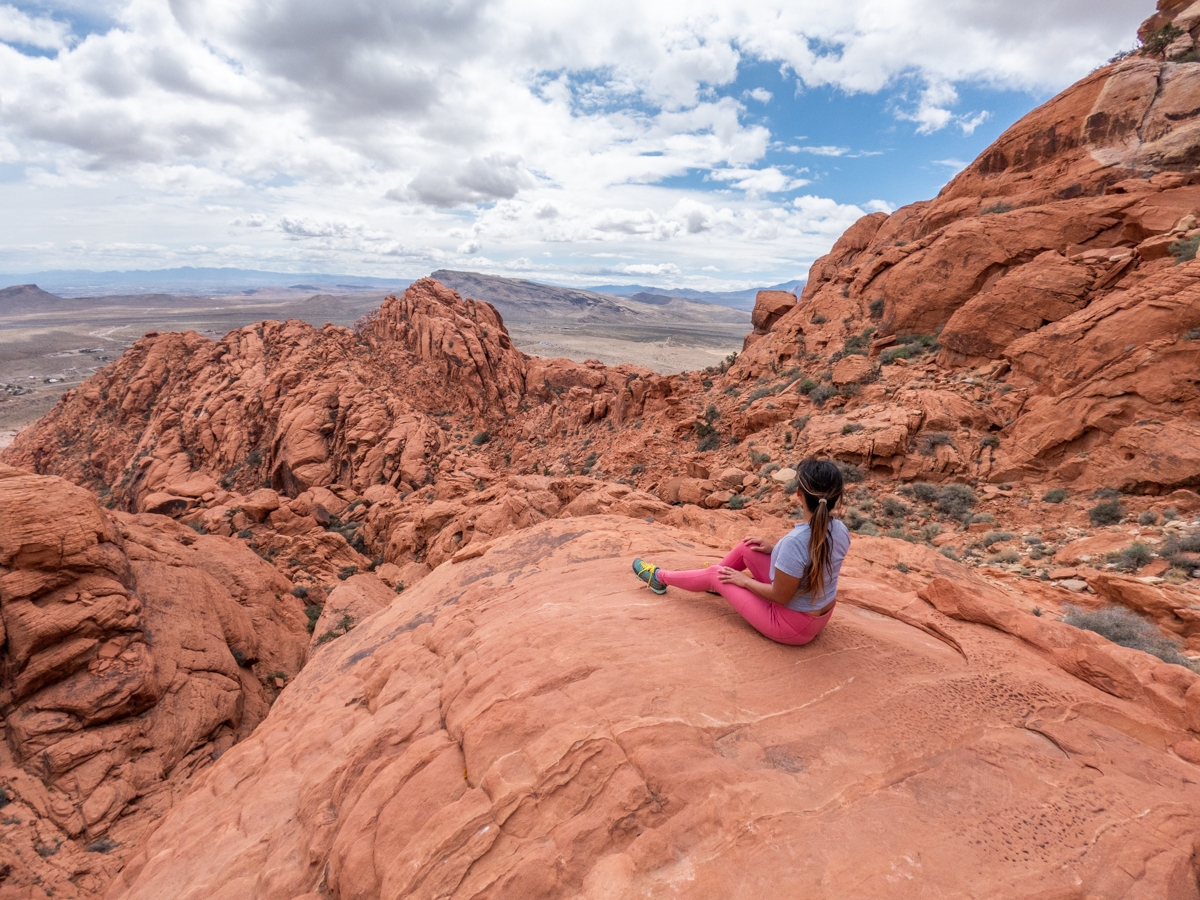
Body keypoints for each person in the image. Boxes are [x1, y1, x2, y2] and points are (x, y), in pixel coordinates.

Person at [632, 458, 850, 646]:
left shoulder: (795, 541)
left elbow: (781, 596)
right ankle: (715, 585)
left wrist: (742, 581)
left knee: (715, 574)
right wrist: (775, 549)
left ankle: (660, 578)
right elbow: (812, 557)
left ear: (799, 494)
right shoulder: (839, 529)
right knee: (749, 547)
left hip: (792, 624)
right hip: (818, 613)